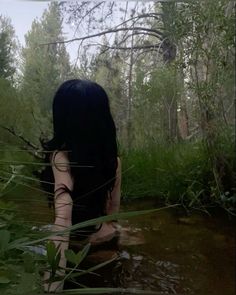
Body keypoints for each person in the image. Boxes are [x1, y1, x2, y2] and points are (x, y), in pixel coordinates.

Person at [43, 79, 121, 292]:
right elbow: (113, 214)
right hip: (106, 237)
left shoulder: (61, 158)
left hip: (76, 243)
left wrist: (51, 287)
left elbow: (63, 221)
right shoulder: (113, 160)